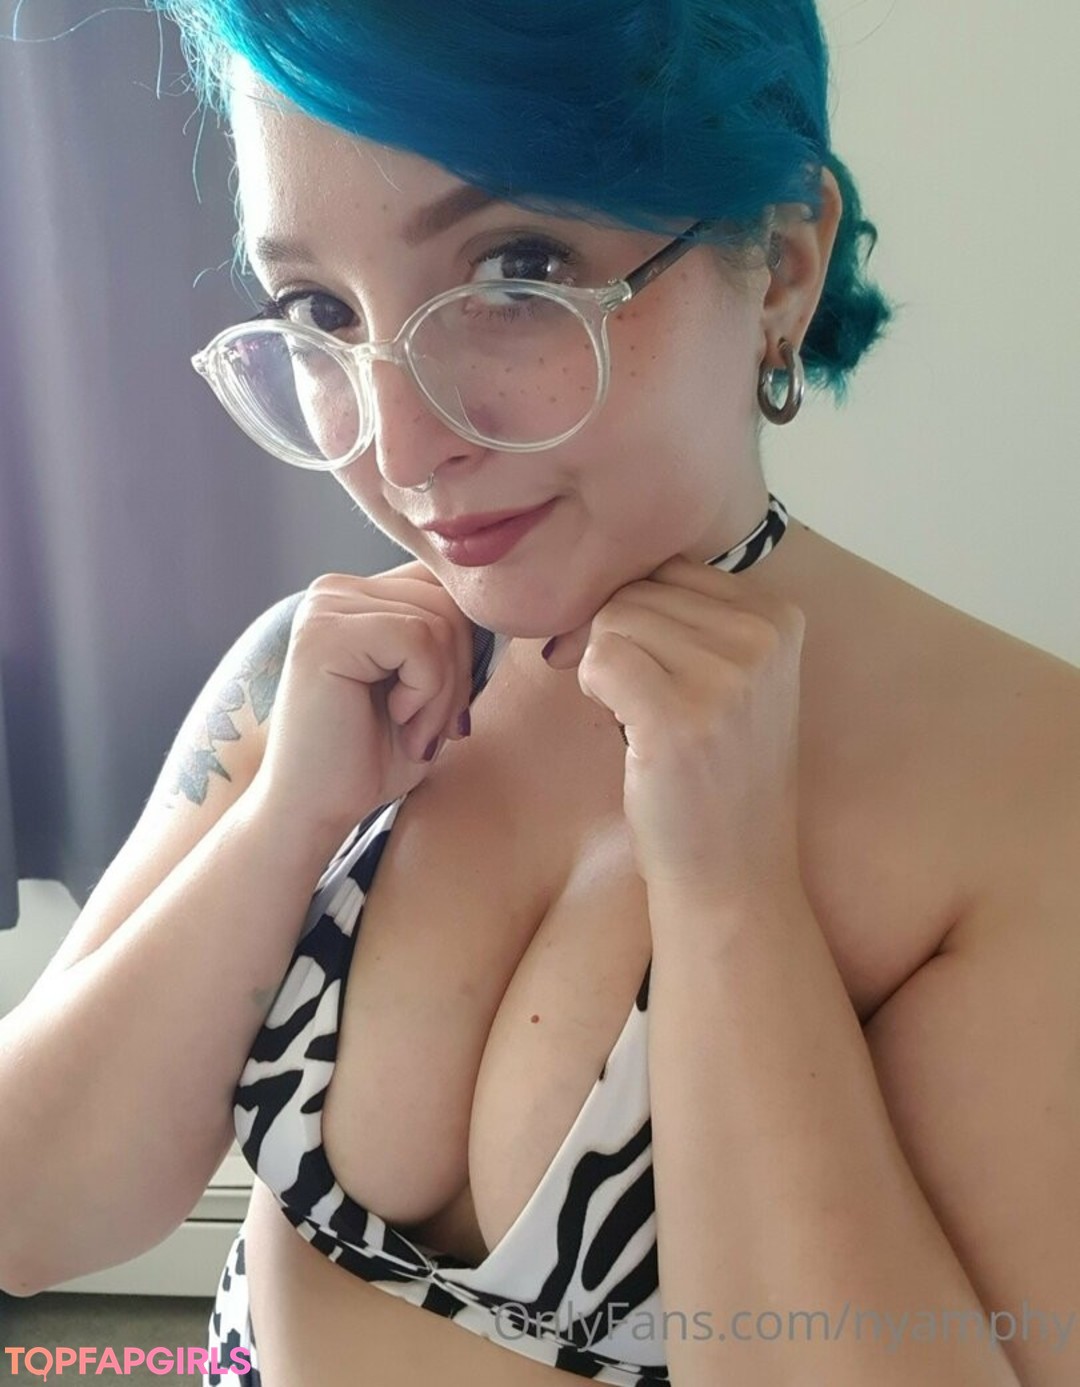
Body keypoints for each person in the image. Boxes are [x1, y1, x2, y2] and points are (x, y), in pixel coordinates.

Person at [1, 3, 1077, 1385]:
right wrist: (286, 821)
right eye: (321, 311)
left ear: (782, 265)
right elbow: (30, 1216)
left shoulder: (1030, 788)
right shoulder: (317, 673)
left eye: (518, 271)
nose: (402, 449)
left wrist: (732, 896)